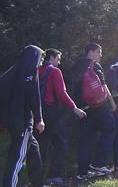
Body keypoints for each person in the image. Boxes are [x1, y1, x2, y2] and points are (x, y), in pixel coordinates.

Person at [0, 45, 45, 187]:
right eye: (41, 57)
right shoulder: (31, 70)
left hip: (12, 121)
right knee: (17, 160)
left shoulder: (14, 71)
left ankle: (38, 183)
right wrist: (39, 119)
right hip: (23, 123)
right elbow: (34, 97)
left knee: (33, 148)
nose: (42, 60)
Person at [35, 48, 86, 186]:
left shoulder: (36, 70)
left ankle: (37, 180)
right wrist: (74, 108)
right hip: (50, 111)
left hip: (36, 113)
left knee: (41, 146)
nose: (59, 62)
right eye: (58, 58)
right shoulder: (55, 71)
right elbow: (61, 93)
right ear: (51, 57)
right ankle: (53, 175)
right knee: (61, 142)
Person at [72, 43, 116, 180]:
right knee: (110, 129)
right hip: (98, 106)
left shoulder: (75, 66)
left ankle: (82, 172)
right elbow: (103, 85)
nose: (100, 54)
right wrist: (112, 102)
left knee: (85, 140)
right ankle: (98, 163)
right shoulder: (94, 65)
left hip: (82, 109)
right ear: (90, 52)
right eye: (98, 51)